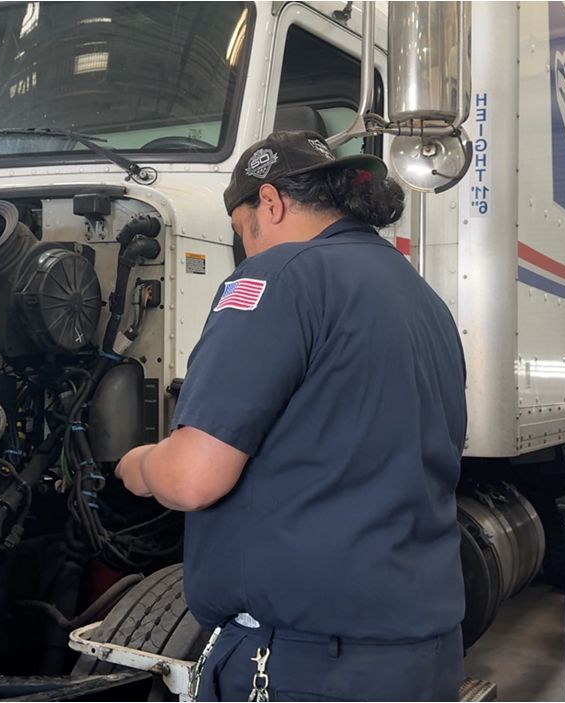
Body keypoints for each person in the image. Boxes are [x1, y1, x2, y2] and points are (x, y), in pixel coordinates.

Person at [115, 130, 468, 701]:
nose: (247, 247)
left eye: (242, 229)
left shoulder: (276, 276)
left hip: (310, 665)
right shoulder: (422, 299)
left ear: (270, 202)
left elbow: (190, 479)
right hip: (420, 653)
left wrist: (137, 464)